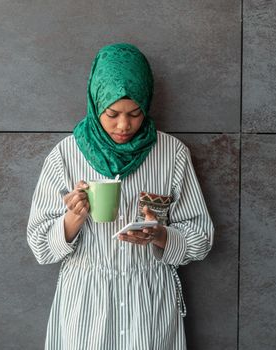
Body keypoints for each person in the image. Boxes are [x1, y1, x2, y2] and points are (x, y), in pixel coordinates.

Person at [27, 42, 215, 349]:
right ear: (95, 101)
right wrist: (73, 219)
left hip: (150, 302)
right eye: (112, 114)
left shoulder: (172, 154)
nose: (124, 125)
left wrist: (161, 235)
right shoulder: (65, 156)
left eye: (135, 113)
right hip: (86, 303)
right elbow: (40, 247)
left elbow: (201, 238)